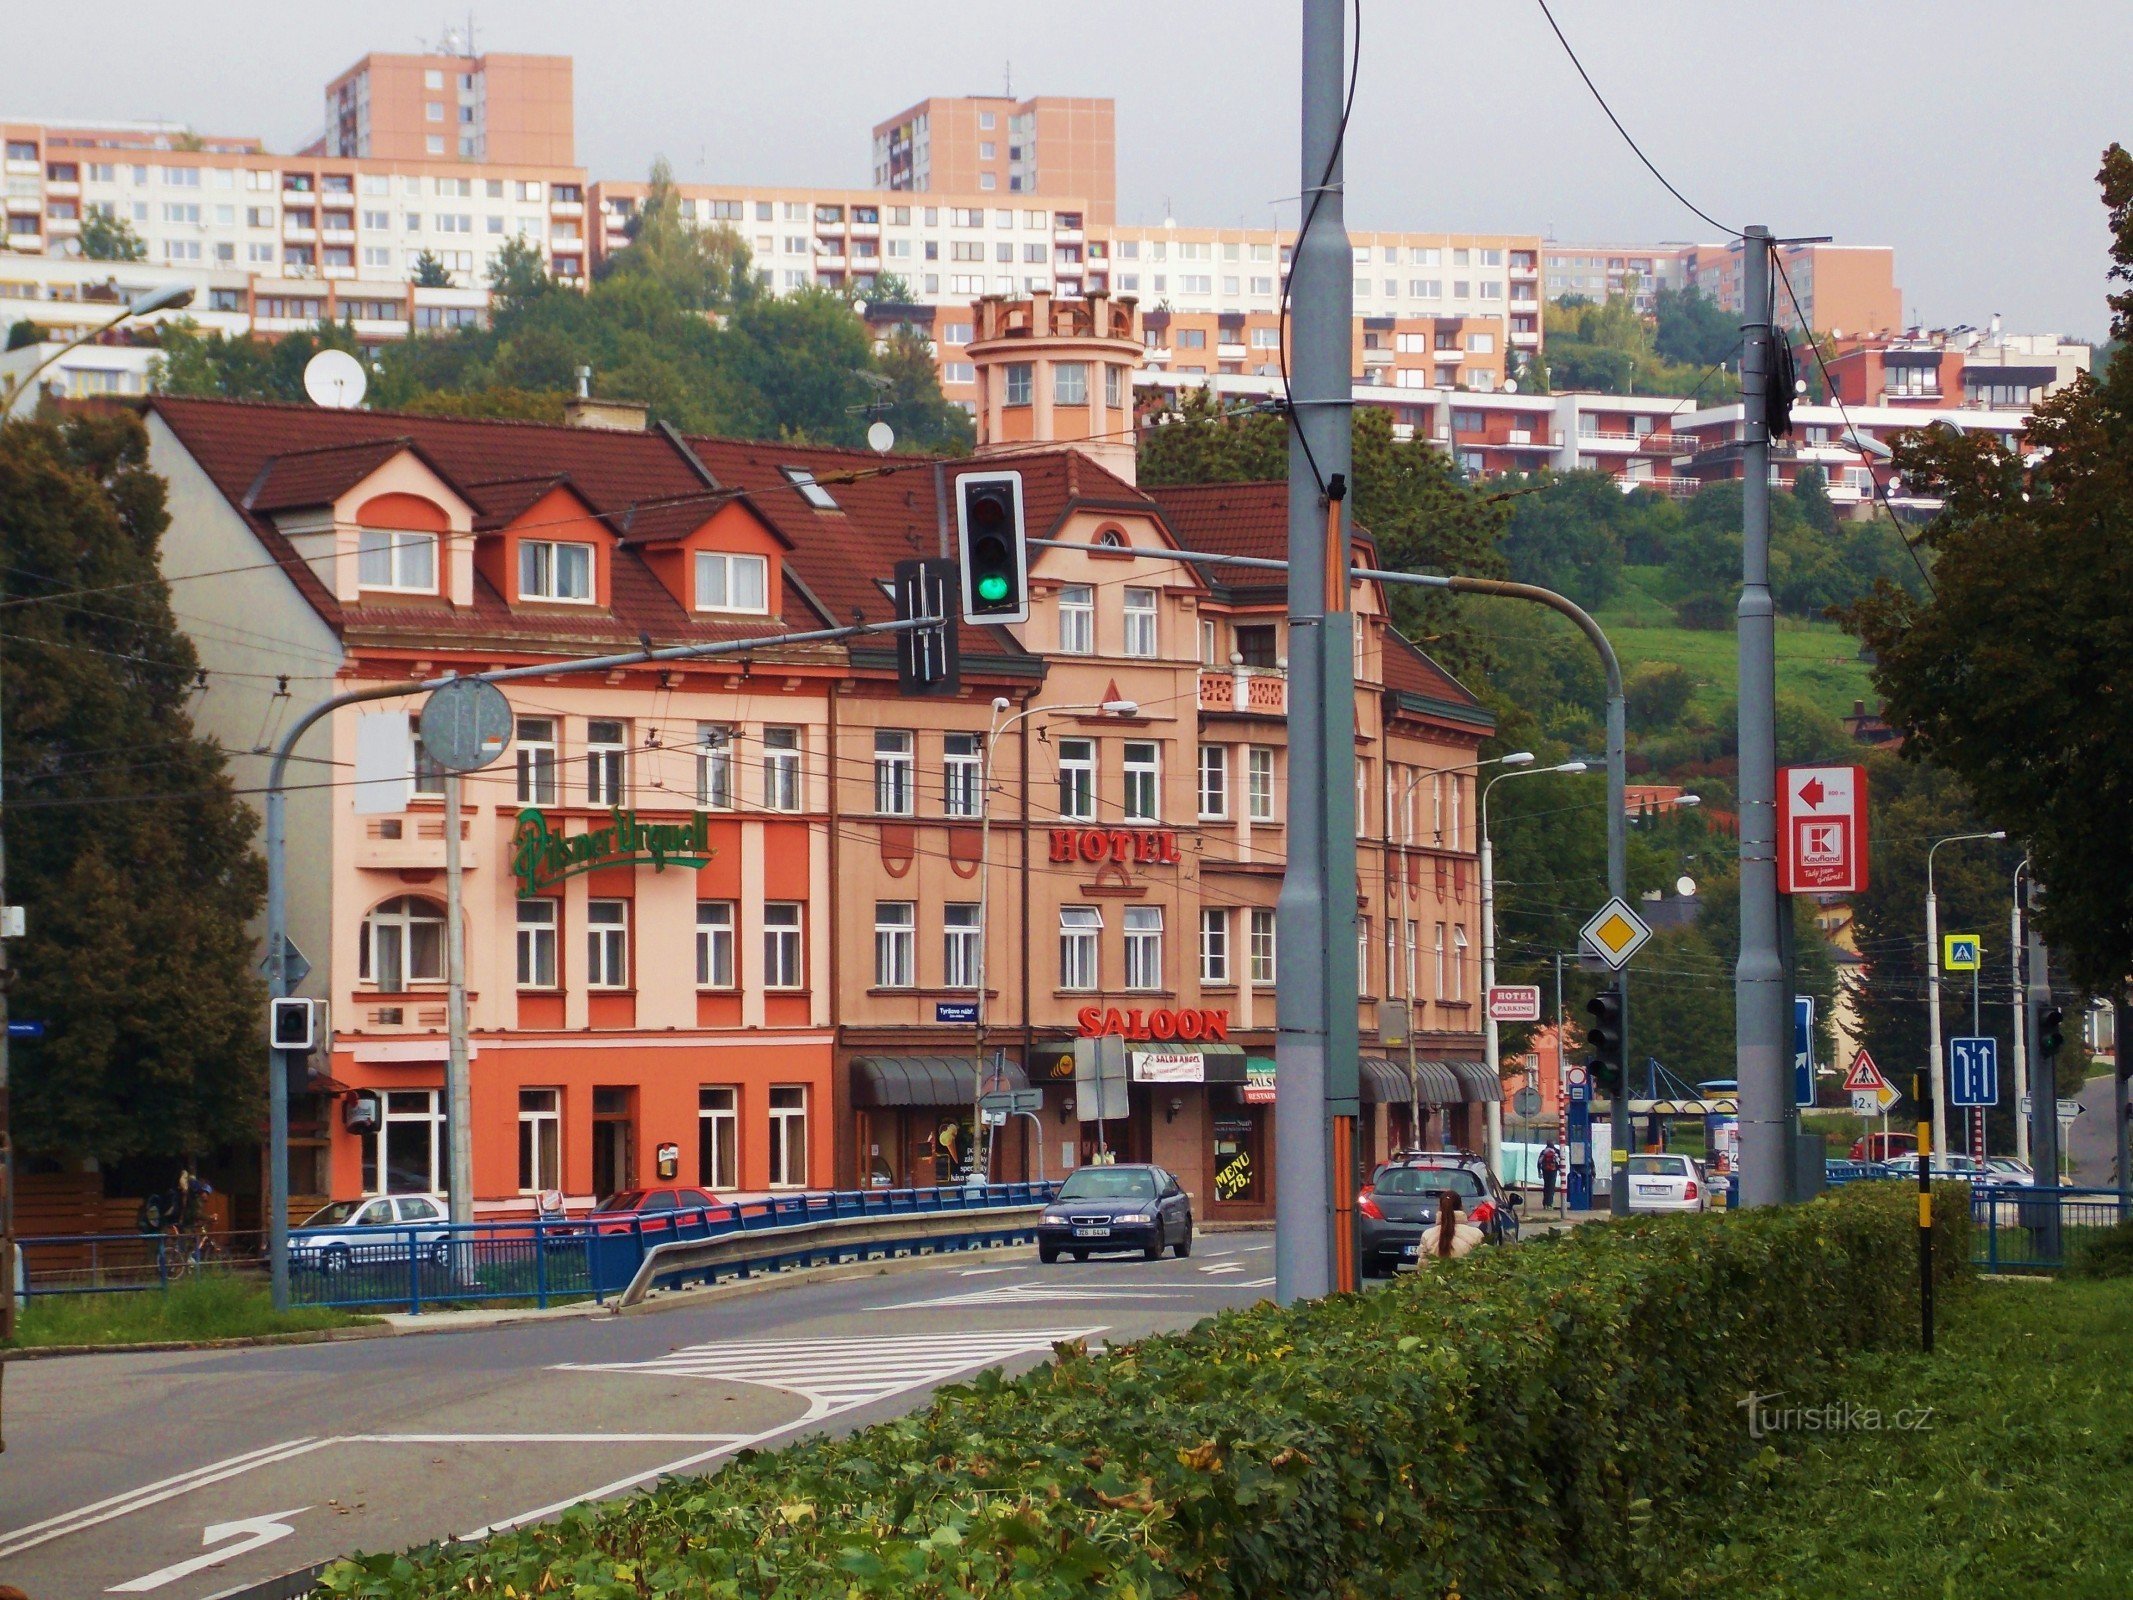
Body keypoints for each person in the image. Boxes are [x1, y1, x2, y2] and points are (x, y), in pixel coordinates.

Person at [1423, 1189, 1486, 1262]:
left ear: (1440, 1208)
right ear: (1461, 1207)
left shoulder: (1427, 1235)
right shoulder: (1476, 1234)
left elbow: (1423, 1266)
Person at [1538, 1141, 1563, 1211]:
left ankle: (1545, 1203)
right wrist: (1560, 1169)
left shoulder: (1544, 1151)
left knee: (1546, 1186)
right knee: (1551, 1187)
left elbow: (1539, 1162)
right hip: (1553, 1171)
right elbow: (1560, 1161)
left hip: (1545, 1170)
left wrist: (1539, 1171)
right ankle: (1549, 1204)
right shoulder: (1556, 1151)